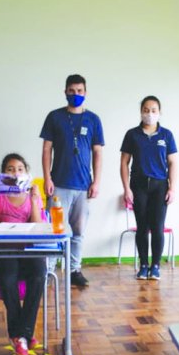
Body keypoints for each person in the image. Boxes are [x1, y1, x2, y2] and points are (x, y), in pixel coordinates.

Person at [40, 73, 104, 288]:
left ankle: (74, 270)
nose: (75, 94)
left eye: (79, 91)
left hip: (83, 187)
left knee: (78, 232)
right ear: (65, 91)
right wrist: (47, 177)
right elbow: (46, 149)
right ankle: (48, 270)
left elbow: (98, 153)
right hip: (58, 184)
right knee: (54, 231)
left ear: (85, 93)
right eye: (71, 91)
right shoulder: (54, 117)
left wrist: (96, 182)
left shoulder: (94, 119)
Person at [0, 153, 46, 355]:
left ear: (26, 173)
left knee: (40, 271)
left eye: (20, 169)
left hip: (28, 250)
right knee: (8, 275)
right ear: (3, 173)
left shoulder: (30, 195)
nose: (15, 172)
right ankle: (21, 335)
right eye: (10, 169)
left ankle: (23, 333)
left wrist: (36, 200)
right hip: (5, 250)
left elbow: (38, 226)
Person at [120, 95, 177, 281]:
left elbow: (173, 163)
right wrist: (127, 188)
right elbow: (124, 163)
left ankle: (156, 266)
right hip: (138, 186)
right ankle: (143, 265)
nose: (149, 114)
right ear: (141, 112)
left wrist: (172, 188)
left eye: (153, 110)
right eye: (146, 110)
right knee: (142, 227)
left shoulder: (166, 135)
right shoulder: (132, 134)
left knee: (157, 228)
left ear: (159, 113)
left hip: (160, 186)